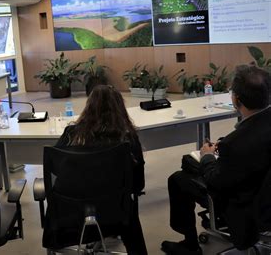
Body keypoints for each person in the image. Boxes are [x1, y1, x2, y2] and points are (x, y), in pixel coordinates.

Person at [162, 65, 271, 255]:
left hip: (245, 206)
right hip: (265, 196)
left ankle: (190, 245)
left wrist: (207, 156)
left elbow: (216, 181)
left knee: (179, 177)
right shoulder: (236, 141)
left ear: (236, 99)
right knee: (190, 166)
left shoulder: (234, 144)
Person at [56, 85, 147, 254]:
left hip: (72, 211)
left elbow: (56, 169)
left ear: (88, 107)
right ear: (120, 109)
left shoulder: (71, 134)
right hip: (115, 212)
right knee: (129, 206)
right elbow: (138, 185)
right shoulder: (127, 140)